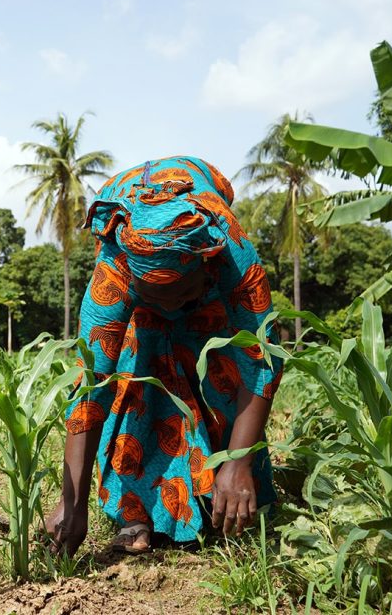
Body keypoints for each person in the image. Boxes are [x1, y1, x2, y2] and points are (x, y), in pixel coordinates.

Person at [46, 155, 283, 555]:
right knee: (137, 373)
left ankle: (226, 488)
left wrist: (239, 460)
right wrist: (72, 503)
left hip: (211, 304)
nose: (173, 309)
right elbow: (90, 392)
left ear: (205, 267)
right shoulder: (115, 273)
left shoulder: (230, 253)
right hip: (146, 306)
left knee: (222, 369)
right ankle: (135, 510)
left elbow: (263, 359)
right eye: (160, 298)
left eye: (182, 295)